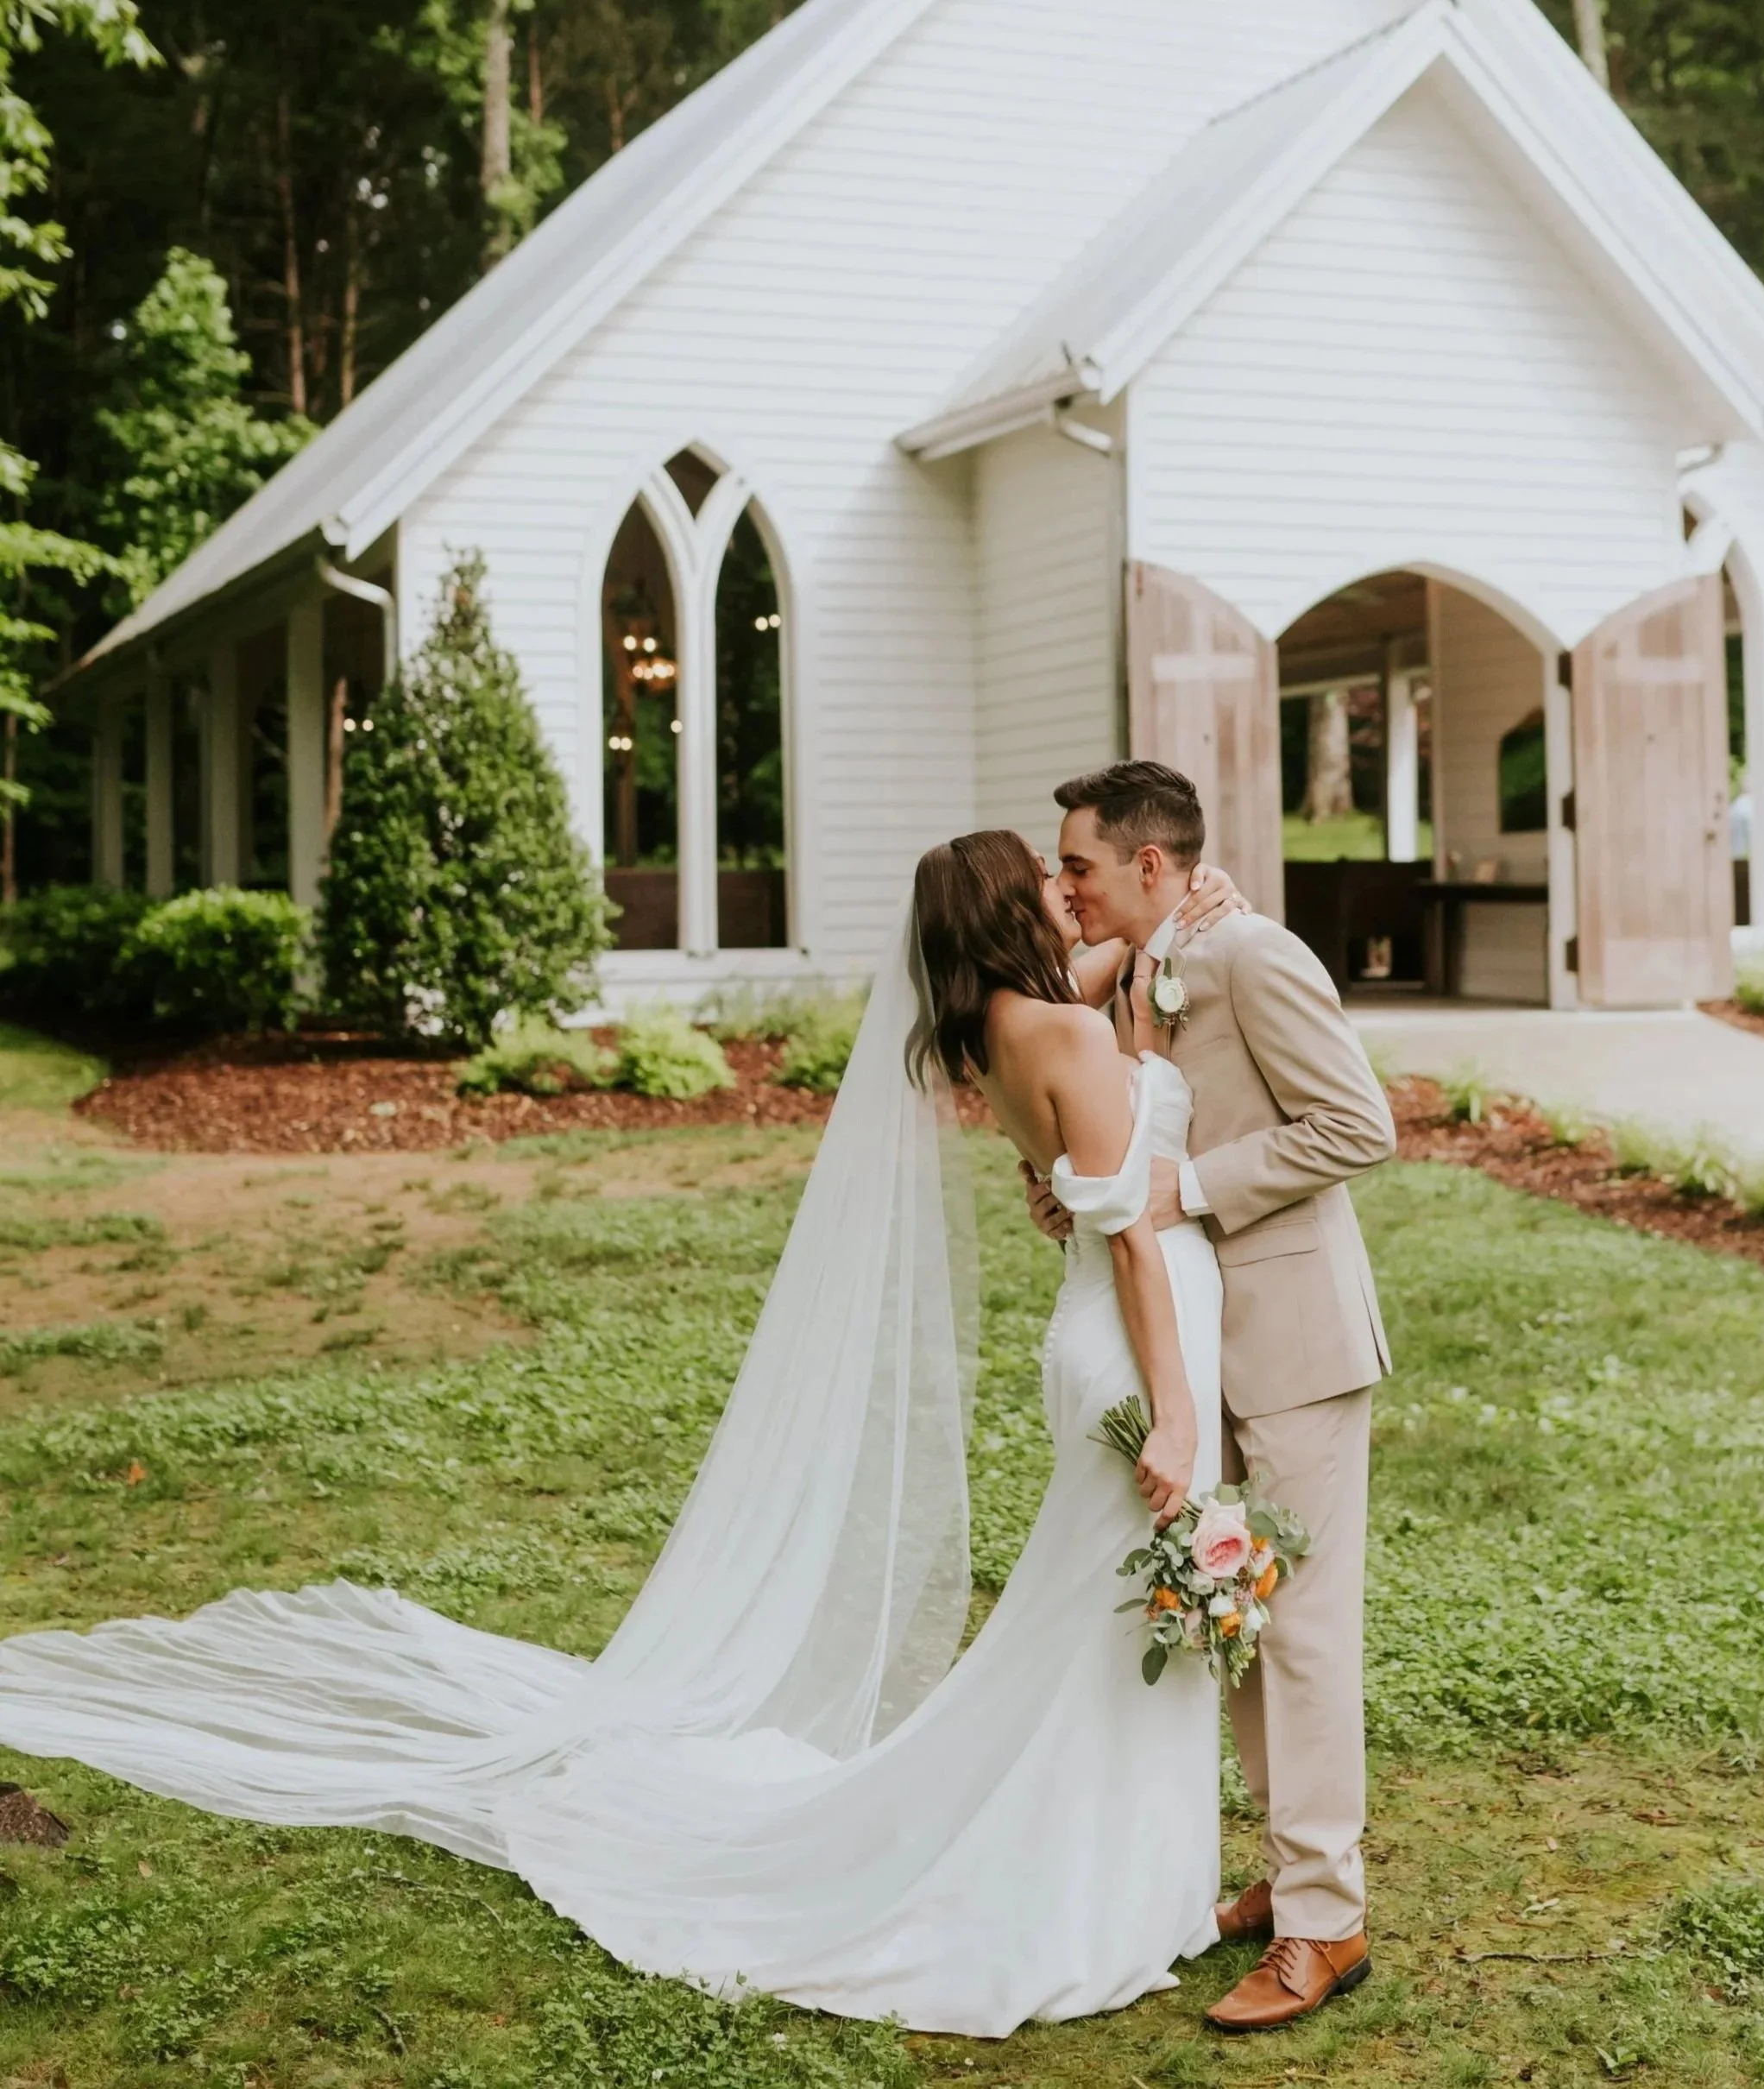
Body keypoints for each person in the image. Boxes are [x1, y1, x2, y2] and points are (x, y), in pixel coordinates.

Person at [0, 829, 1248, 2040]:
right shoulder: (1069, 1033)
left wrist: (1159, 943)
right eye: (1041, 877)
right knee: (1099, 1624)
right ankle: (1082, 1887)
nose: (1059, 888)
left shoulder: (995, 1030)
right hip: (1141, 1345)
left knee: (1101, 1618)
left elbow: (1087, 1030)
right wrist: (1180, 1411)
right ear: (1005, 914)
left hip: (1095, 1335)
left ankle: (1120, 1873)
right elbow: (1132, 1234)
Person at [1026, 760, 1396, 2034]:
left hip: (1291, 1336)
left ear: (1145, 862)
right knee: (1231, 1615)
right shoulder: (1134, 968)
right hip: (1191, 1343)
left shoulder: (1250, 953)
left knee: (1301, 1634)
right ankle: (1297, 1880)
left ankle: (1328, 1926)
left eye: (1077, 863)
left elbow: (1359, 1124)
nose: (1062, 883)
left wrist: (1196, 1186)